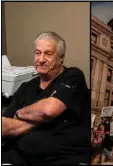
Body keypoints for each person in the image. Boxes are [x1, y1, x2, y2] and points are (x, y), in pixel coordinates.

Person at [1, 31, 91, 165]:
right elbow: (4, 127)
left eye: (48, 54)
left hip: (63, 159)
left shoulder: (73, 76)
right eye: (38, 53)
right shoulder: (25, 87)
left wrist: (19, 114)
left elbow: (49, 110)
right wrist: (39, 120)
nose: (41, 59)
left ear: (61, 58)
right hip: (19, 158)